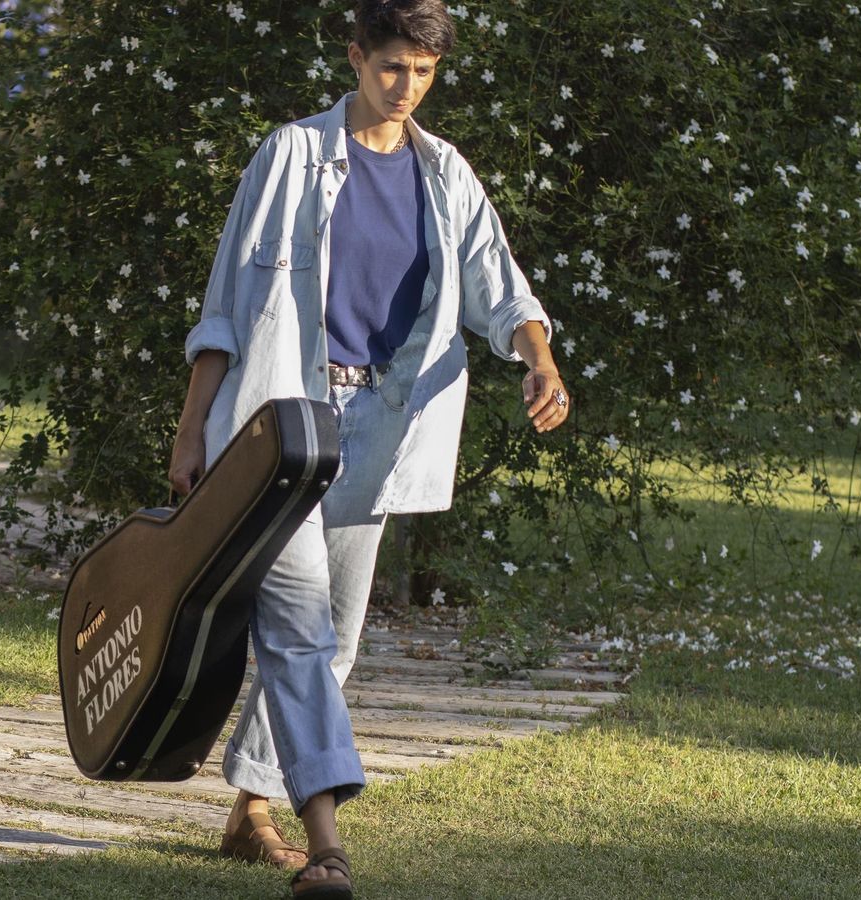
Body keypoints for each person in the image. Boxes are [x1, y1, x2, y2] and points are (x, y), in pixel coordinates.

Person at [169, 1, 568, 896]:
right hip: (279, 424)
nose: (406, 87)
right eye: (392, 67)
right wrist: (193, 426)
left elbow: (500, 287)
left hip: (380, 430)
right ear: (356, 57)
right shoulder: (290, 156)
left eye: (424, 74)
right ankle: (325, 847)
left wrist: (539, 361)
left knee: (336, 638)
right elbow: (227, 299)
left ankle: (249, 808)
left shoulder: (445, 174)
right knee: (302, 623)